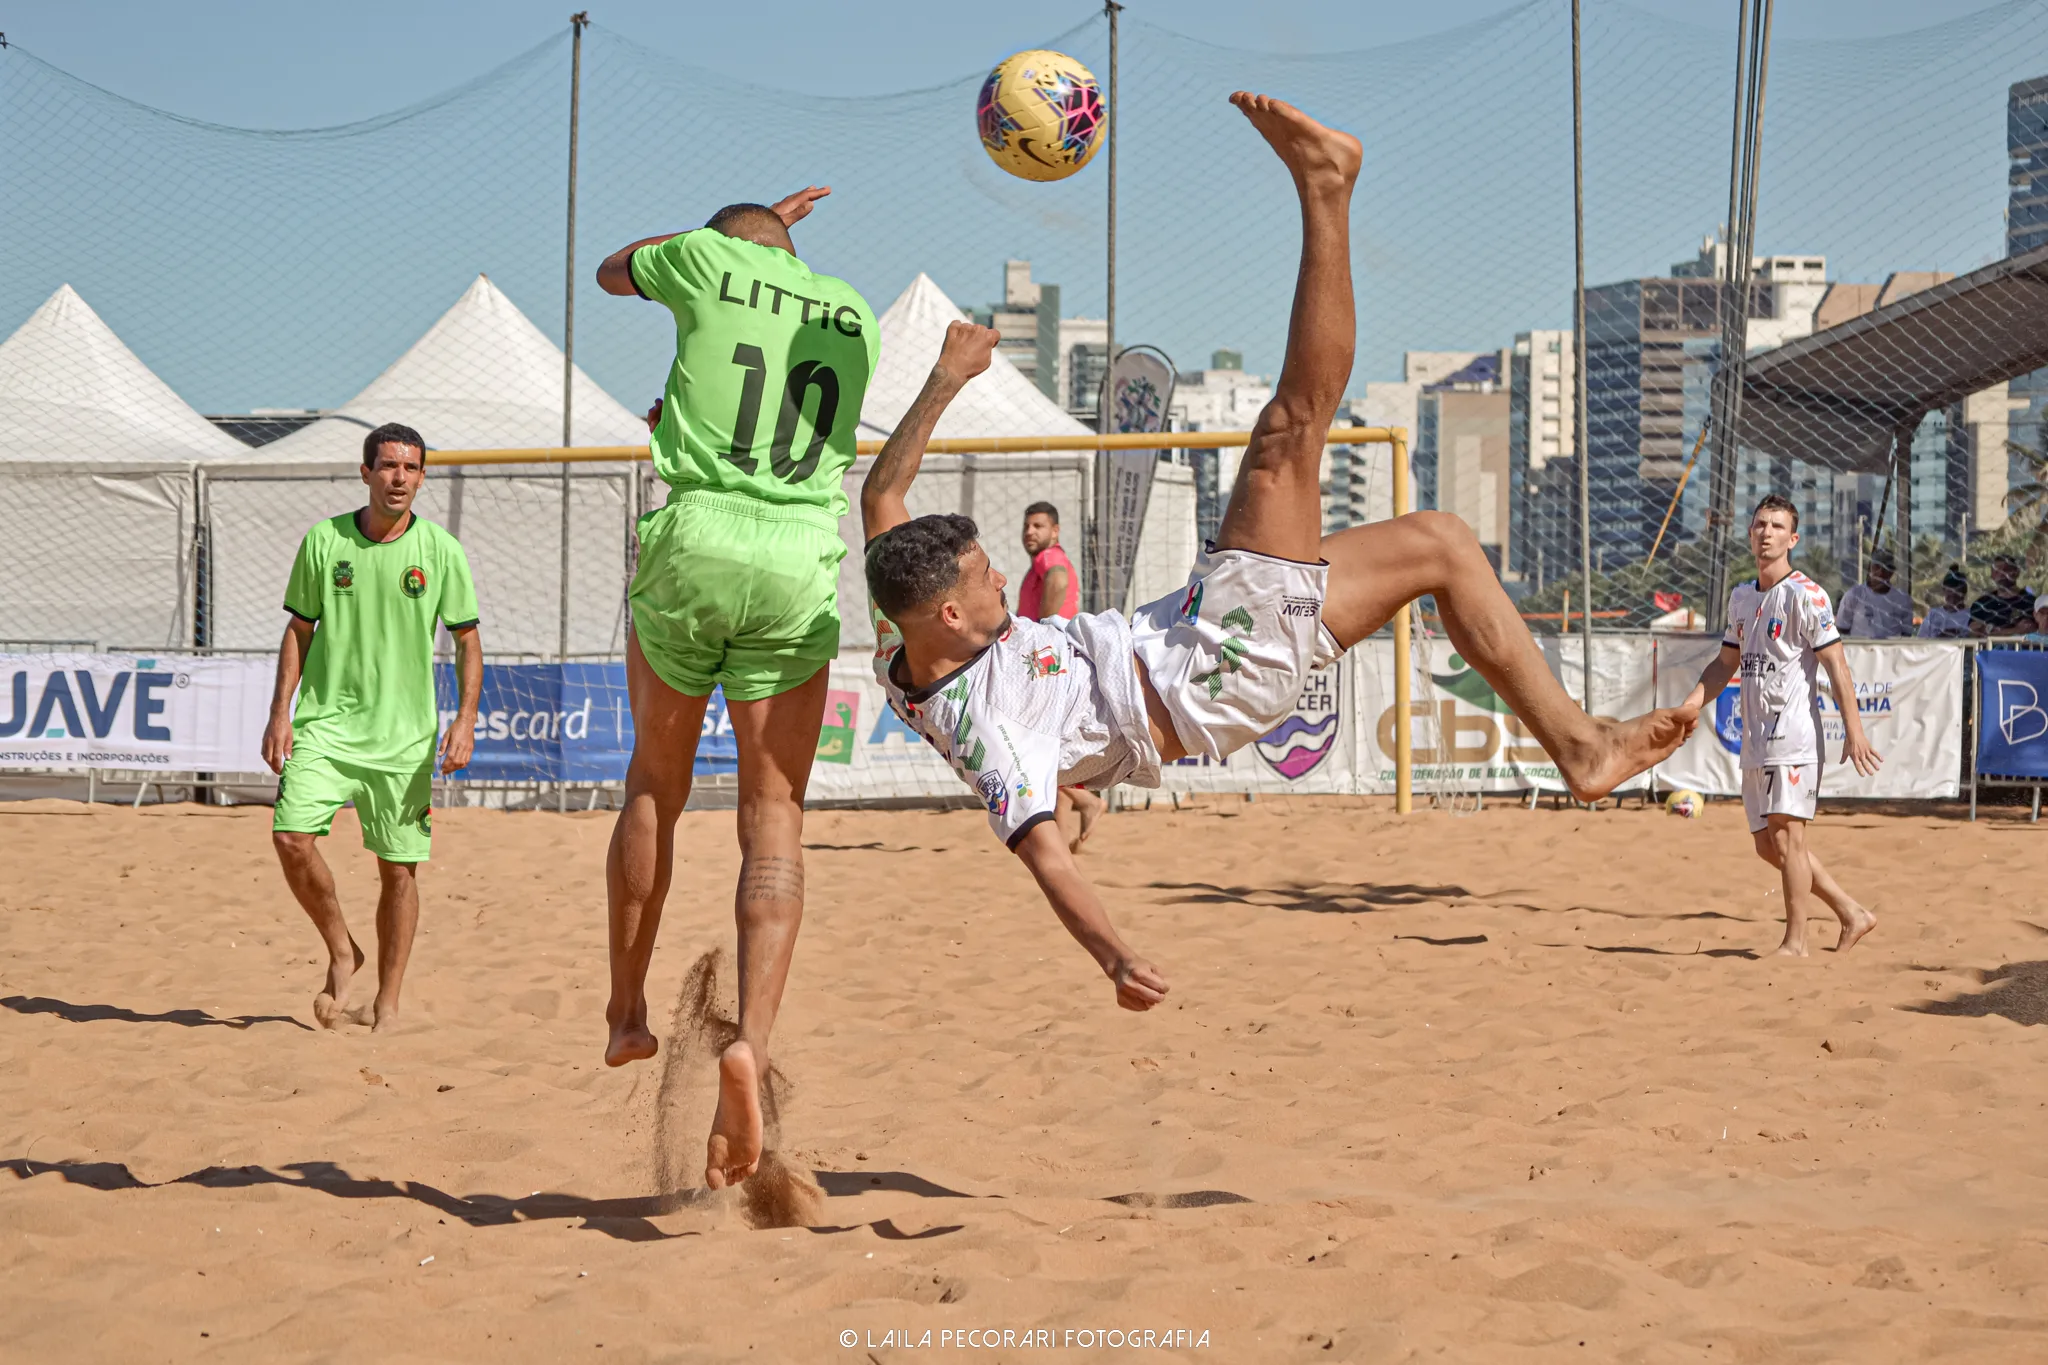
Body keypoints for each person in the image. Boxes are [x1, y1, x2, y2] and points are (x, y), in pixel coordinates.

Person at [859, 93, 1695, 1010]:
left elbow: (882, 495)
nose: (1002, 581)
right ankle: (1326, 186)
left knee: (1443, 544)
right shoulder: (983, 727)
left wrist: (944, 380)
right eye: (985, 580)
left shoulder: (906, 624)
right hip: (1212, 667)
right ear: (949, 614)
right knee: (1289, 431)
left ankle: (1582, 749)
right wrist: (1112, 954)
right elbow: (1046, 858)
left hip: (1194, 645)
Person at [594, 186, 879, 1189]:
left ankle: (627, 1010)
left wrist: (704, 238)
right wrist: (773, 245)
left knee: (653, 784)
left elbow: (615, 268)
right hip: (797, 551)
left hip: (699, 534)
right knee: (774, 818)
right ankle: (749, 1040)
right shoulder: (852, 312)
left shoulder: (702, 262)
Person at [262, 422, 482, 1031]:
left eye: (411, 469)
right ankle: (341, 947)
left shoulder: (441, 551)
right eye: (388, 467)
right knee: (290, 838)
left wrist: (465, 719)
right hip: (326, 726)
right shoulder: (324, 541)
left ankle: (387, 1000)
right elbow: (299, 629)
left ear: (422, 477)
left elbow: (468, 641)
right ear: (365, 474)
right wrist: (280, 712)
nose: (399, 478)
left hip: (404, 739)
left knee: (398, 871)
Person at [1681, 495, 1880, 957]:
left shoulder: (1806, 594)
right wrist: (1690, 705)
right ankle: (1851, 912)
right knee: (1768, 847)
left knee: (1789, 839)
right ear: (1750, 533)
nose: (1765, 532)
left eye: (1776, 526)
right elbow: (1725, 662)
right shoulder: (1742, 596)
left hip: (1793, 735)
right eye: (1759, 525)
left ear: (1792, 539)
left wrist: (1854, 728)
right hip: (1755, 739)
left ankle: (1796, 944)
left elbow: (1837, 665)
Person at [1016, 501, 1103, 849]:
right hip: (1053, 659)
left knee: (1029, 746)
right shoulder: (1047, 559)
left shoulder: (1049, 559)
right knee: (1050, 747)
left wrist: (1040, 630)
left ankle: (1088, 801)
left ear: (1055, 532)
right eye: (1027, 526)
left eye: (1038, 526)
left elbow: (1058, 578)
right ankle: (1061, 836)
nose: (1030, 532)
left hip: (1046, 661)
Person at [1836, 548, 1912, 638]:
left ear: (1891, 572)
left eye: (1885, 568)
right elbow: (1842, 629)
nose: (1880, 572)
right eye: (1877, 567)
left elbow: (1906, 634)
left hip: (1890, 651)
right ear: (1870, 569)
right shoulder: (1853, 595)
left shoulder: (1902, 600)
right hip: (1860, 650)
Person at [1970, 554, 2036, 637]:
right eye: (1997, 571)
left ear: (2017, 572)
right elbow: (1975, 632)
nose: (2001, 574)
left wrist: (1990, 630)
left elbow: (2031, 629)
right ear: (1992, 575)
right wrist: (2016, 630)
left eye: (2006, 570)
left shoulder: (2030, 602)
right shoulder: (1982, 603)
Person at [1917, 566, 1973, 639]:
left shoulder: (1970, 616)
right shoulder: (1933, 614)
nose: (1953, 601)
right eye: (1949, 596)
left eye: (1957, 597)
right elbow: (1920, 639)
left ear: (1964, 594)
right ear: (1944, 591)